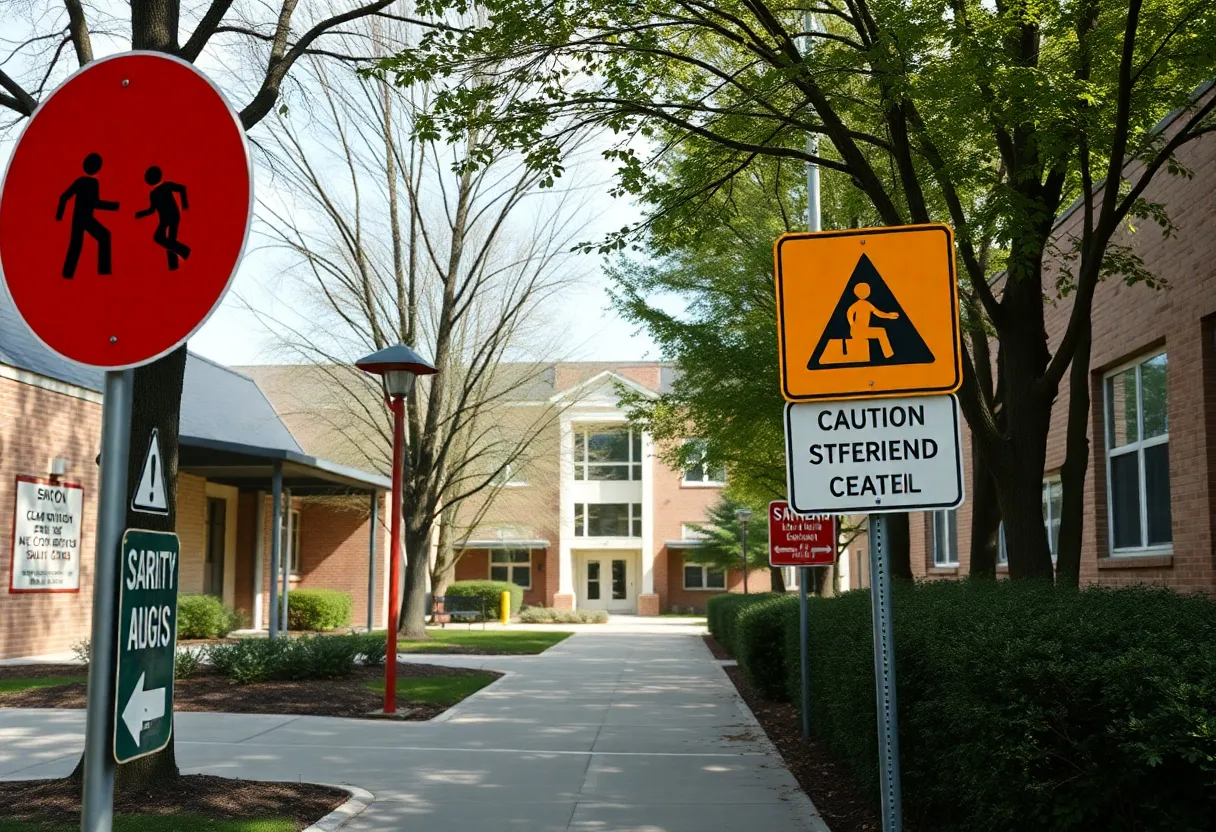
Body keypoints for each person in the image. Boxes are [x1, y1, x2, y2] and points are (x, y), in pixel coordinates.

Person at [56, 153, 119, 278]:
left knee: (77, 244)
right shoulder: (92, 183)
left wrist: (59, 215)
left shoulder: (80, 181)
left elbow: (64, 197)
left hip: (79, 218)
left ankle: (67, 274)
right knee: (100, 237)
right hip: (85, 218)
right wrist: (114, 206)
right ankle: (104, 271)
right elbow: (95, 203)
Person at [134, 166, 191, 270]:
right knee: (170, 241)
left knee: (159, 237)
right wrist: (139, 214)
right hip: (167, 218)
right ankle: (173, 266)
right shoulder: (154, 193)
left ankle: (184, 251)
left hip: (171, 217)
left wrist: (184, 203)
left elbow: (182, 188)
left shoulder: (165, 187)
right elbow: (152, 209)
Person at [846, 282, 899, 359]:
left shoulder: (868, 304)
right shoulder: (857, 305)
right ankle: (888, 354)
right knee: (881, 332)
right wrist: (853, 325)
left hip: (862, 330)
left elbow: (878, 313)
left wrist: (889, 315)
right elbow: (849, 313)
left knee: (881, 331)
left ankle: (888, 354)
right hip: (858, 331)